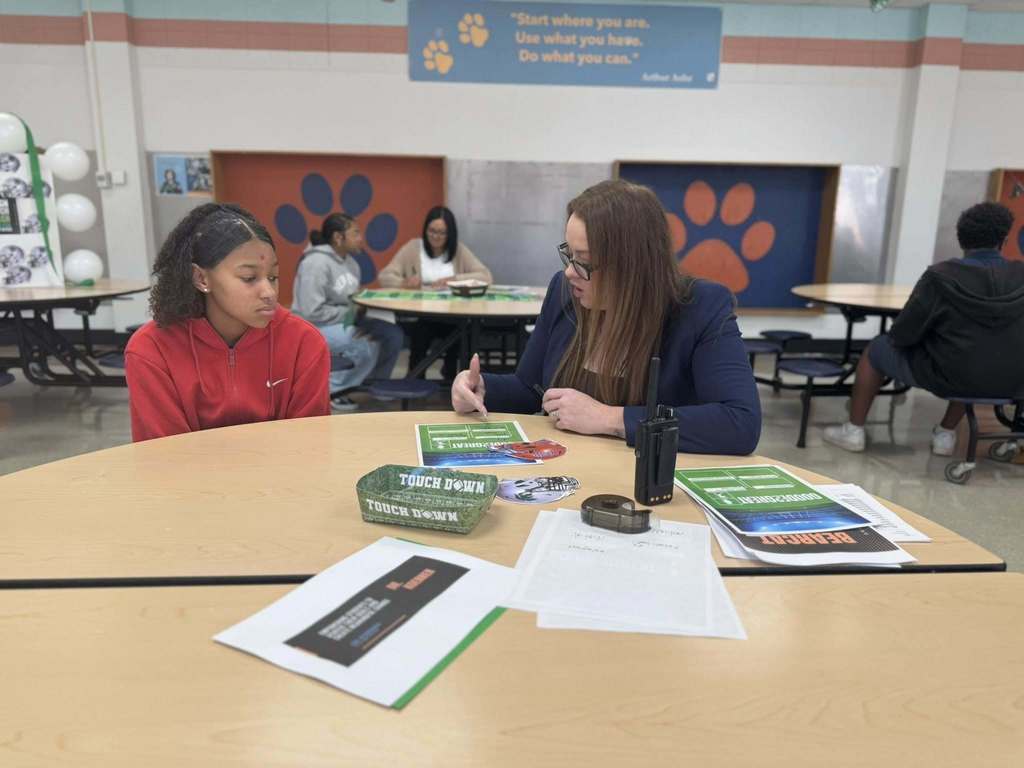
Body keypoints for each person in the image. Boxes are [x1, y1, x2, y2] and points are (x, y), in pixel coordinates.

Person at [451, 179, 761, 455]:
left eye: (583, 261)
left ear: (633, 267)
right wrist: (481, 389)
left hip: (647, 485)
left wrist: (609, 418)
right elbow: (529, 390)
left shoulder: (700, 307)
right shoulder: (565, 292)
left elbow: (739, 424)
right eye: (568, 255)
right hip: (568, 471)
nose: (569, 272)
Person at [824, 202, 1024, 454]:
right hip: (1014, 380)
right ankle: (945, 434)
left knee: (877, 348)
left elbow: (903, 333)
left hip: (951, 375)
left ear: (962, 241)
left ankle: (853, 431)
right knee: (982, 351)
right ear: (1004, 241)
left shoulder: (940, 276)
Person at [125, 203, 330, 442]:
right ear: (201, 278)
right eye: (248, 278)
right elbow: (163, 456)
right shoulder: (151, 350)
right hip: (186, 478)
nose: (269, 292)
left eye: (273, 277)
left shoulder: (304, 343)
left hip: (282, 478)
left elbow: (309, 447)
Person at [292, 213, 404, 411]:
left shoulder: (351, 263)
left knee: (392, 335)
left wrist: (361, 305)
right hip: (314, 328)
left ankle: (375, 384)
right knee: (364, 344)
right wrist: (349, 313)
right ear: (338, 237)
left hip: (346, 321)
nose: (361, 238)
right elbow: (311, 311)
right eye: (355, 233)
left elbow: (349, 299)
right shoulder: (315, 263)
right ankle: (333, 390)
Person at [379, 206, 492, 380]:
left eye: (442, 233)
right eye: (432, 231)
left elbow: (485, 276)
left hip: (454, 316)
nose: (436, 237)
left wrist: (455, 279)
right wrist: (404, 283)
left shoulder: (459, 251)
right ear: (425, 230)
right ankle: (416, 380)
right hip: (421, 315)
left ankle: (451, 380)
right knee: (420, 335)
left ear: (450, 234)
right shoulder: (412, 247)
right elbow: (385, 276)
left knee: (462, 334)